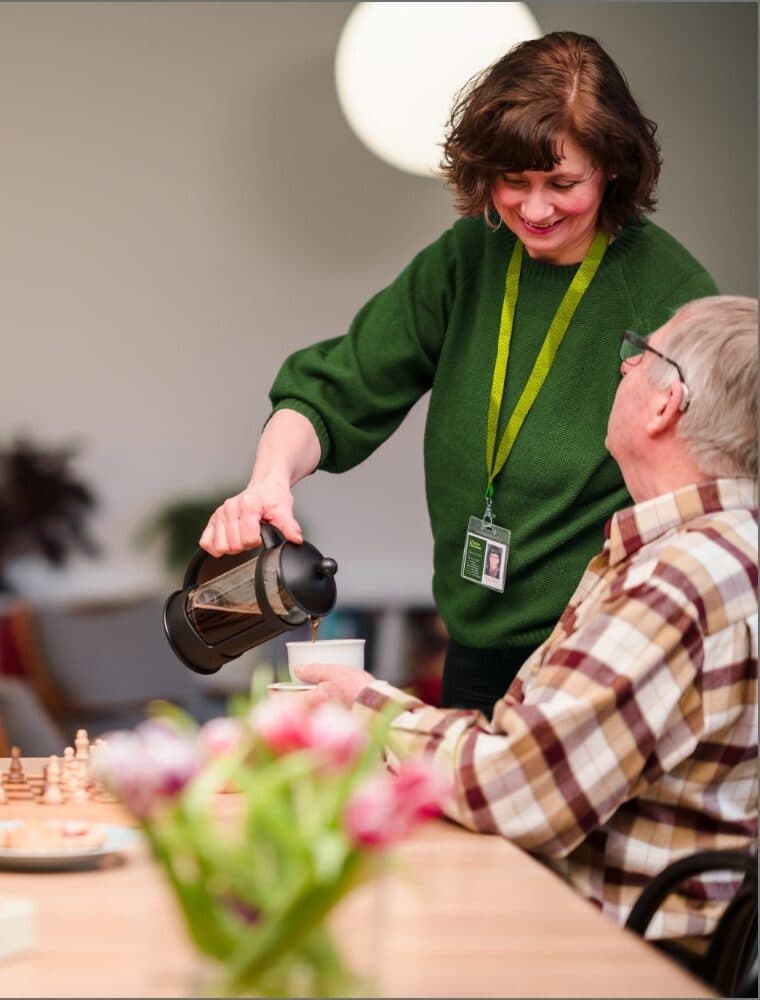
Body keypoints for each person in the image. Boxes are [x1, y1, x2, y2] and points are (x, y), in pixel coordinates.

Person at [200, 31, 718, 716]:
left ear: (613, 168)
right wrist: (269, 479)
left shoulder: (670, 292)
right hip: (474, 645)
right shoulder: (470, 256)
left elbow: (706, 508)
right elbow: (335, 387)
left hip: (600, 653)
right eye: (513, 181)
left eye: (562, 183)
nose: (534, 210)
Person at [294, 294, 758, 944]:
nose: (623, 370)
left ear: (665, 402)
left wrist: (367, 707)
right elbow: (529, 750)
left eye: (640, 355)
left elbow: (517, 792)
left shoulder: (681, 578)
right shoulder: (726, 550)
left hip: (601, 955)